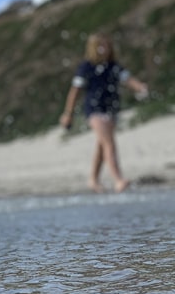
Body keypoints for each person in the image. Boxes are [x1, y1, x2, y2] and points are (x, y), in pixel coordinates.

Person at [60, 33, 148, 193]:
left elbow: (128, 79)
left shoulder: (113, 66)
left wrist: (140, 87)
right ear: (94, 48)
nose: (105, 49)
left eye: (107, 46)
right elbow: (75, 91)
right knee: (109, 143)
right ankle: (118, 179)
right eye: (102, 46)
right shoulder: (86, 67)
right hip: (94, 110)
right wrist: (68, 113)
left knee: (102, 145)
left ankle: (93, 180)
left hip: (111, 109)